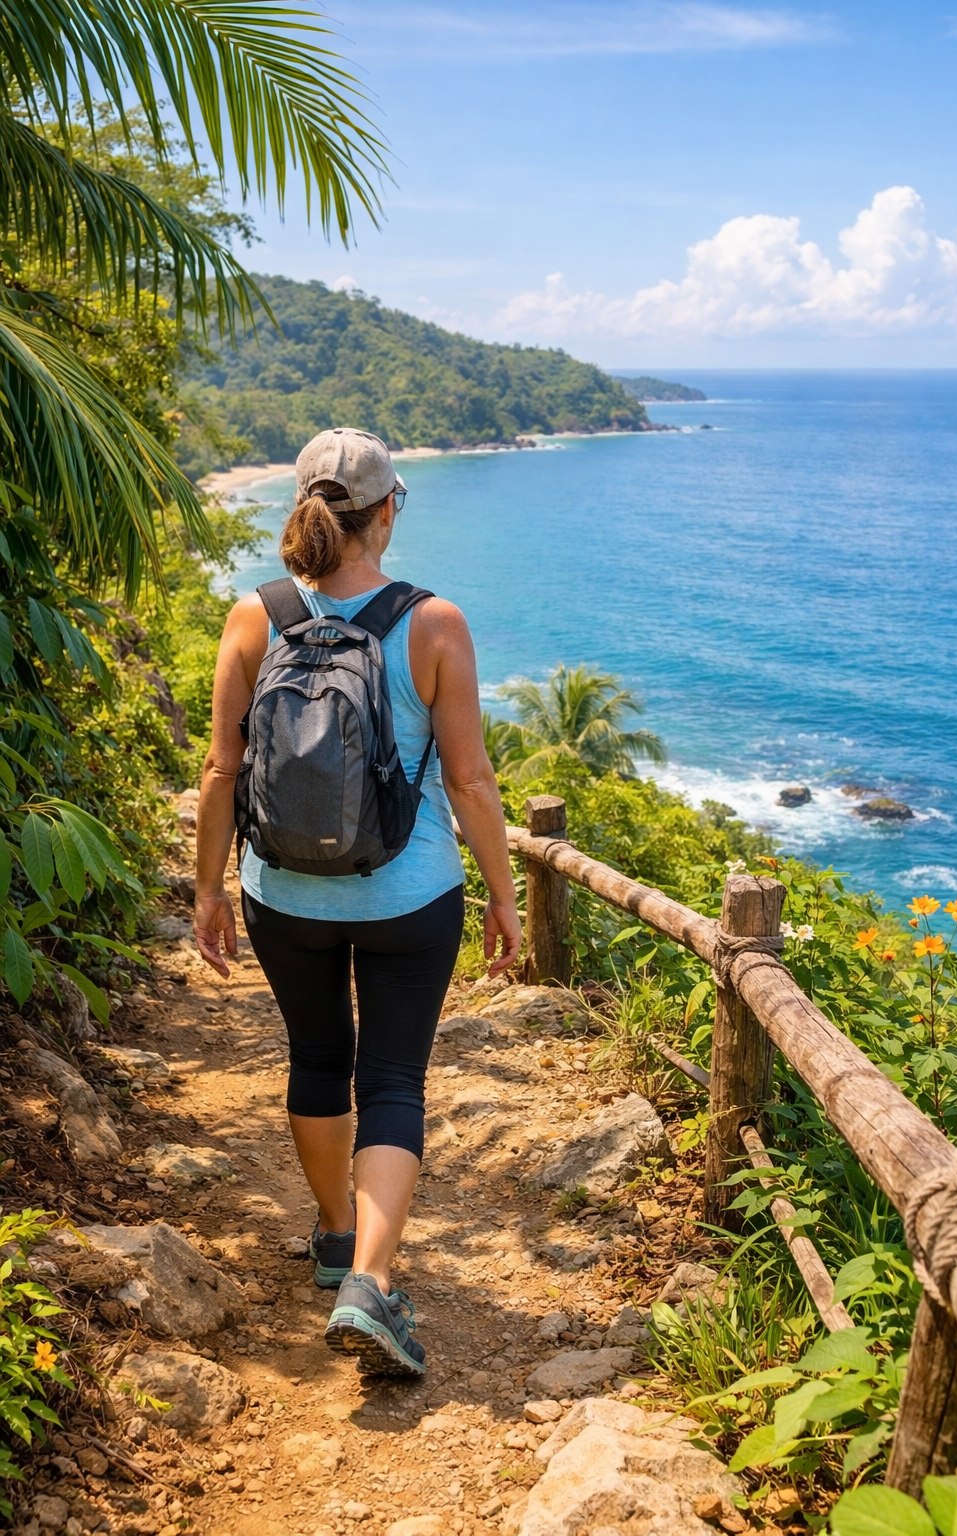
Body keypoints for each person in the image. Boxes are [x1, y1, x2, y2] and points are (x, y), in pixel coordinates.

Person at [193, 427, 522, 1377]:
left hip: (283, 893)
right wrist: (503, 896)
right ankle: (370, 1284)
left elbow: (221, 770)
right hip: (409, 896)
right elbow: (470, 781)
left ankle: (337, 1234)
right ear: (387, 513)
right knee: (391, 1080)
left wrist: (209, 888)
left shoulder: (253, 617)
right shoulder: (435, 623)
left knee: (317, 1057)